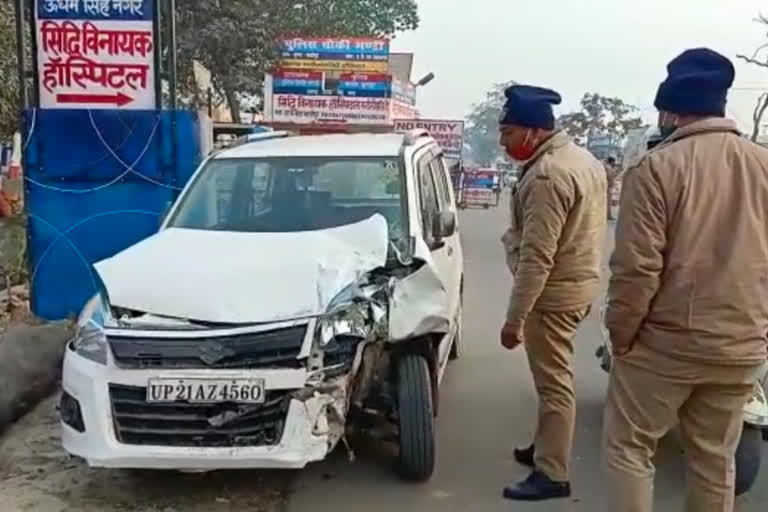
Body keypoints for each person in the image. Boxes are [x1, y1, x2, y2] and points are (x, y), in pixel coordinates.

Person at [602, 48, 768, 512]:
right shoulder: (763, 165)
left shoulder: (656, 168)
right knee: (715, 460)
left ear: (669, 110)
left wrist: (622, 337)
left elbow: (636, 271)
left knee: (630, 447)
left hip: (666, 346)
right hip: (741, 346)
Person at [498, 84, 607, 501]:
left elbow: (537, 258)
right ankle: (545, 446)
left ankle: (553, 473)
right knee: (552, 376)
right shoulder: (581, 158)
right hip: (579, 285)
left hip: (553, 294)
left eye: (507, 133)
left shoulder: (548, 176)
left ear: (531, 132)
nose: (503, 142)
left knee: (554, 383)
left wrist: (515, 319)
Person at [604, 156, 619, 220]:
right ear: (612, 162)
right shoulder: (608, 168)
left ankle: (607, 215)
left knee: (607, 202)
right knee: (608, 203)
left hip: (607, 186)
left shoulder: (605, 166)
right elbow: (611, 177)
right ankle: (608, 215)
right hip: (608, 187)